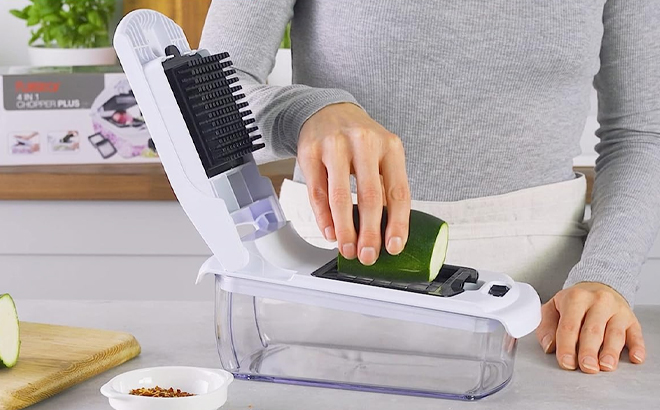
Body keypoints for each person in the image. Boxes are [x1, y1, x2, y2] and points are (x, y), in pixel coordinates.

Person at [200, 0, 659, 374]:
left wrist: (606, 273)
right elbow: (203, 98)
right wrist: (303, 114)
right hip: (324, 282)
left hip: (542, 315)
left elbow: (642, 132)